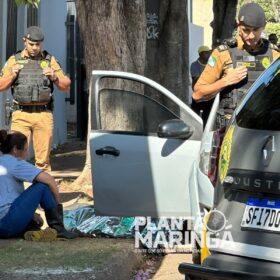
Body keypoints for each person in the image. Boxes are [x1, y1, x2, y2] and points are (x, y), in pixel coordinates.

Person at [192, 3, 280, 128]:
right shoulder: (223, 53)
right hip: (230, 130)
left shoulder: (275, 54)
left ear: (263, 27)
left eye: (256, 30)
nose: (251, 36)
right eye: (246, 30)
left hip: (264, 130)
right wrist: (226, 81)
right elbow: (198, 94)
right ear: (238, 26)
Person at [0, 26, 71, 171]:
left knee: (43, 162)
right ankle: (17, 192)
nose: (34, 47)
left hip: (43, 115)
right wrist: (12, 75)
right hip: (20, 115)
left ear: (41, 43)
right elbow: (1, 86)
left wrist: (55, 77)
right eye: (31, 44)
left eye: (37, 44)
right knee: (15, 157)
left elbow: (66, 86)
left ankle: (42, 191)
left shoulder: (49, 60)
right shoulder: (14, 60)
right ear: (24, 41)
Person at [0, 130, 78, 239]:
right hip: (7, 223)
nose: (26, 153)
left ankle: (31, 228)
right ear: (15, 150)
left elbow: (7, 198)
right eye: (25, 149)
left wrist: (30, 213)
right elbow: (49, 180)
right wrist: (57, 205)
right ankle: (58, 228)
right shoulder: (14, 163)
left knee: (34, 220)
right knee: (42, 186)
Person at [190, 46, 212, 125]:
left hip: (209, 95)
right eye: (206, 53)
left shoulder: (211, 62)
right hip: (198, 95)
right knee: (195, 117)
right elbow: (196, 79)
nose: (209, 54)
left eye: (209, 52)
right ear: (201, 54)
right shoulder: (194, 65)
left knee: (207, 118)